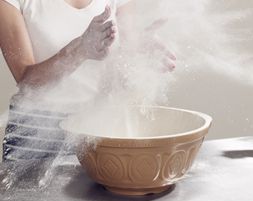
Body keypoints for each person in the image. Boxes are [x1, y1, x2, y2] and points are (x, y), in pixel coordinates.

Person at [0, 0, 176, 162]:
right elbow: (26, 81)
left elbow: (124, 59)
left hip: (95, 129)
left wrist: (140, 54)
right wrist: (80, 50)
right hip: (34, 136)